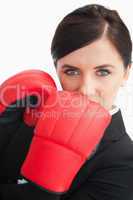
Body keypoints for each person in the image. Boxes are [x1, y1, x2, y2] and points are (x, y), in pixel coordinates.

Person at [0, 3, 133, 200]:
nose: (85, 89)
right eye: (71, 71)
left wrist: (39, 194)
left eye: (103, 72)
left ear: (126, 73)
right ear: (56, 69)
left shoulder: (125, 163)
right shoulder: (30, 115)